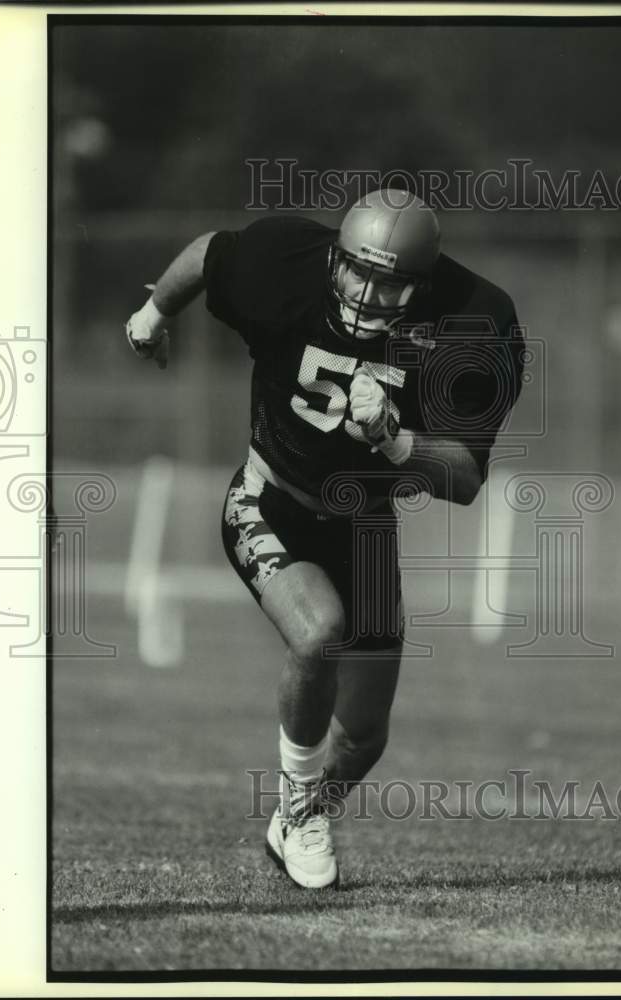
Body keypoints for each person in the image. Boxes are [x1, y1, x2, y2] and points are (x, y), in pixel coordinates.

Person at [125, 188, 524, 889]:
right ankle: (302, 812)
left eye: (389, 282)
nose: (366, 294)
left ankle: (295, 816)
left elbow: (462, 479)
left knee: (364, 737)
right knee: (318, 635)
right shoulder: (284, 260)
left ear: (422, 287)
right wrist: (154, 313)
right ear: (333, 258)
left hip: (367, 527)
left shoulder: (473, 321)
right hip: (272, 495)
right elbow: (209, 255)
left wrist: (396, 441)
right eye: (355, 272)